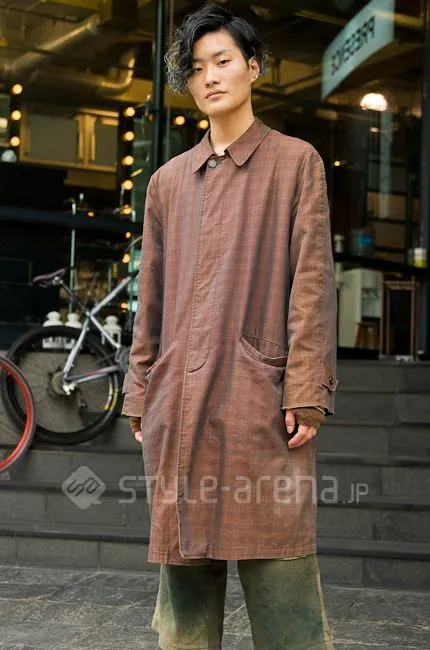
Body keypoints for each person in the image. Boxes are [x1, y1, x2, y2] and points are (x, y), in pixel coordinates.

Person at [122, 3, 338, 649]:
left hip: (258, 400)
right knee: (184, 588)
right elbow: (150, 297)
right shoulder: (167, 182)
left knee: (283, 578)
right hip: (179, 400)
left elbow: (312, 281)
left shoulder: (295, 162)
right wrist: (140, 390)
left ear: (254, 67)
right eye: (196, 68)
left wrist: (306, 388)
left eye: (223, 61)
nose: (210, 76)